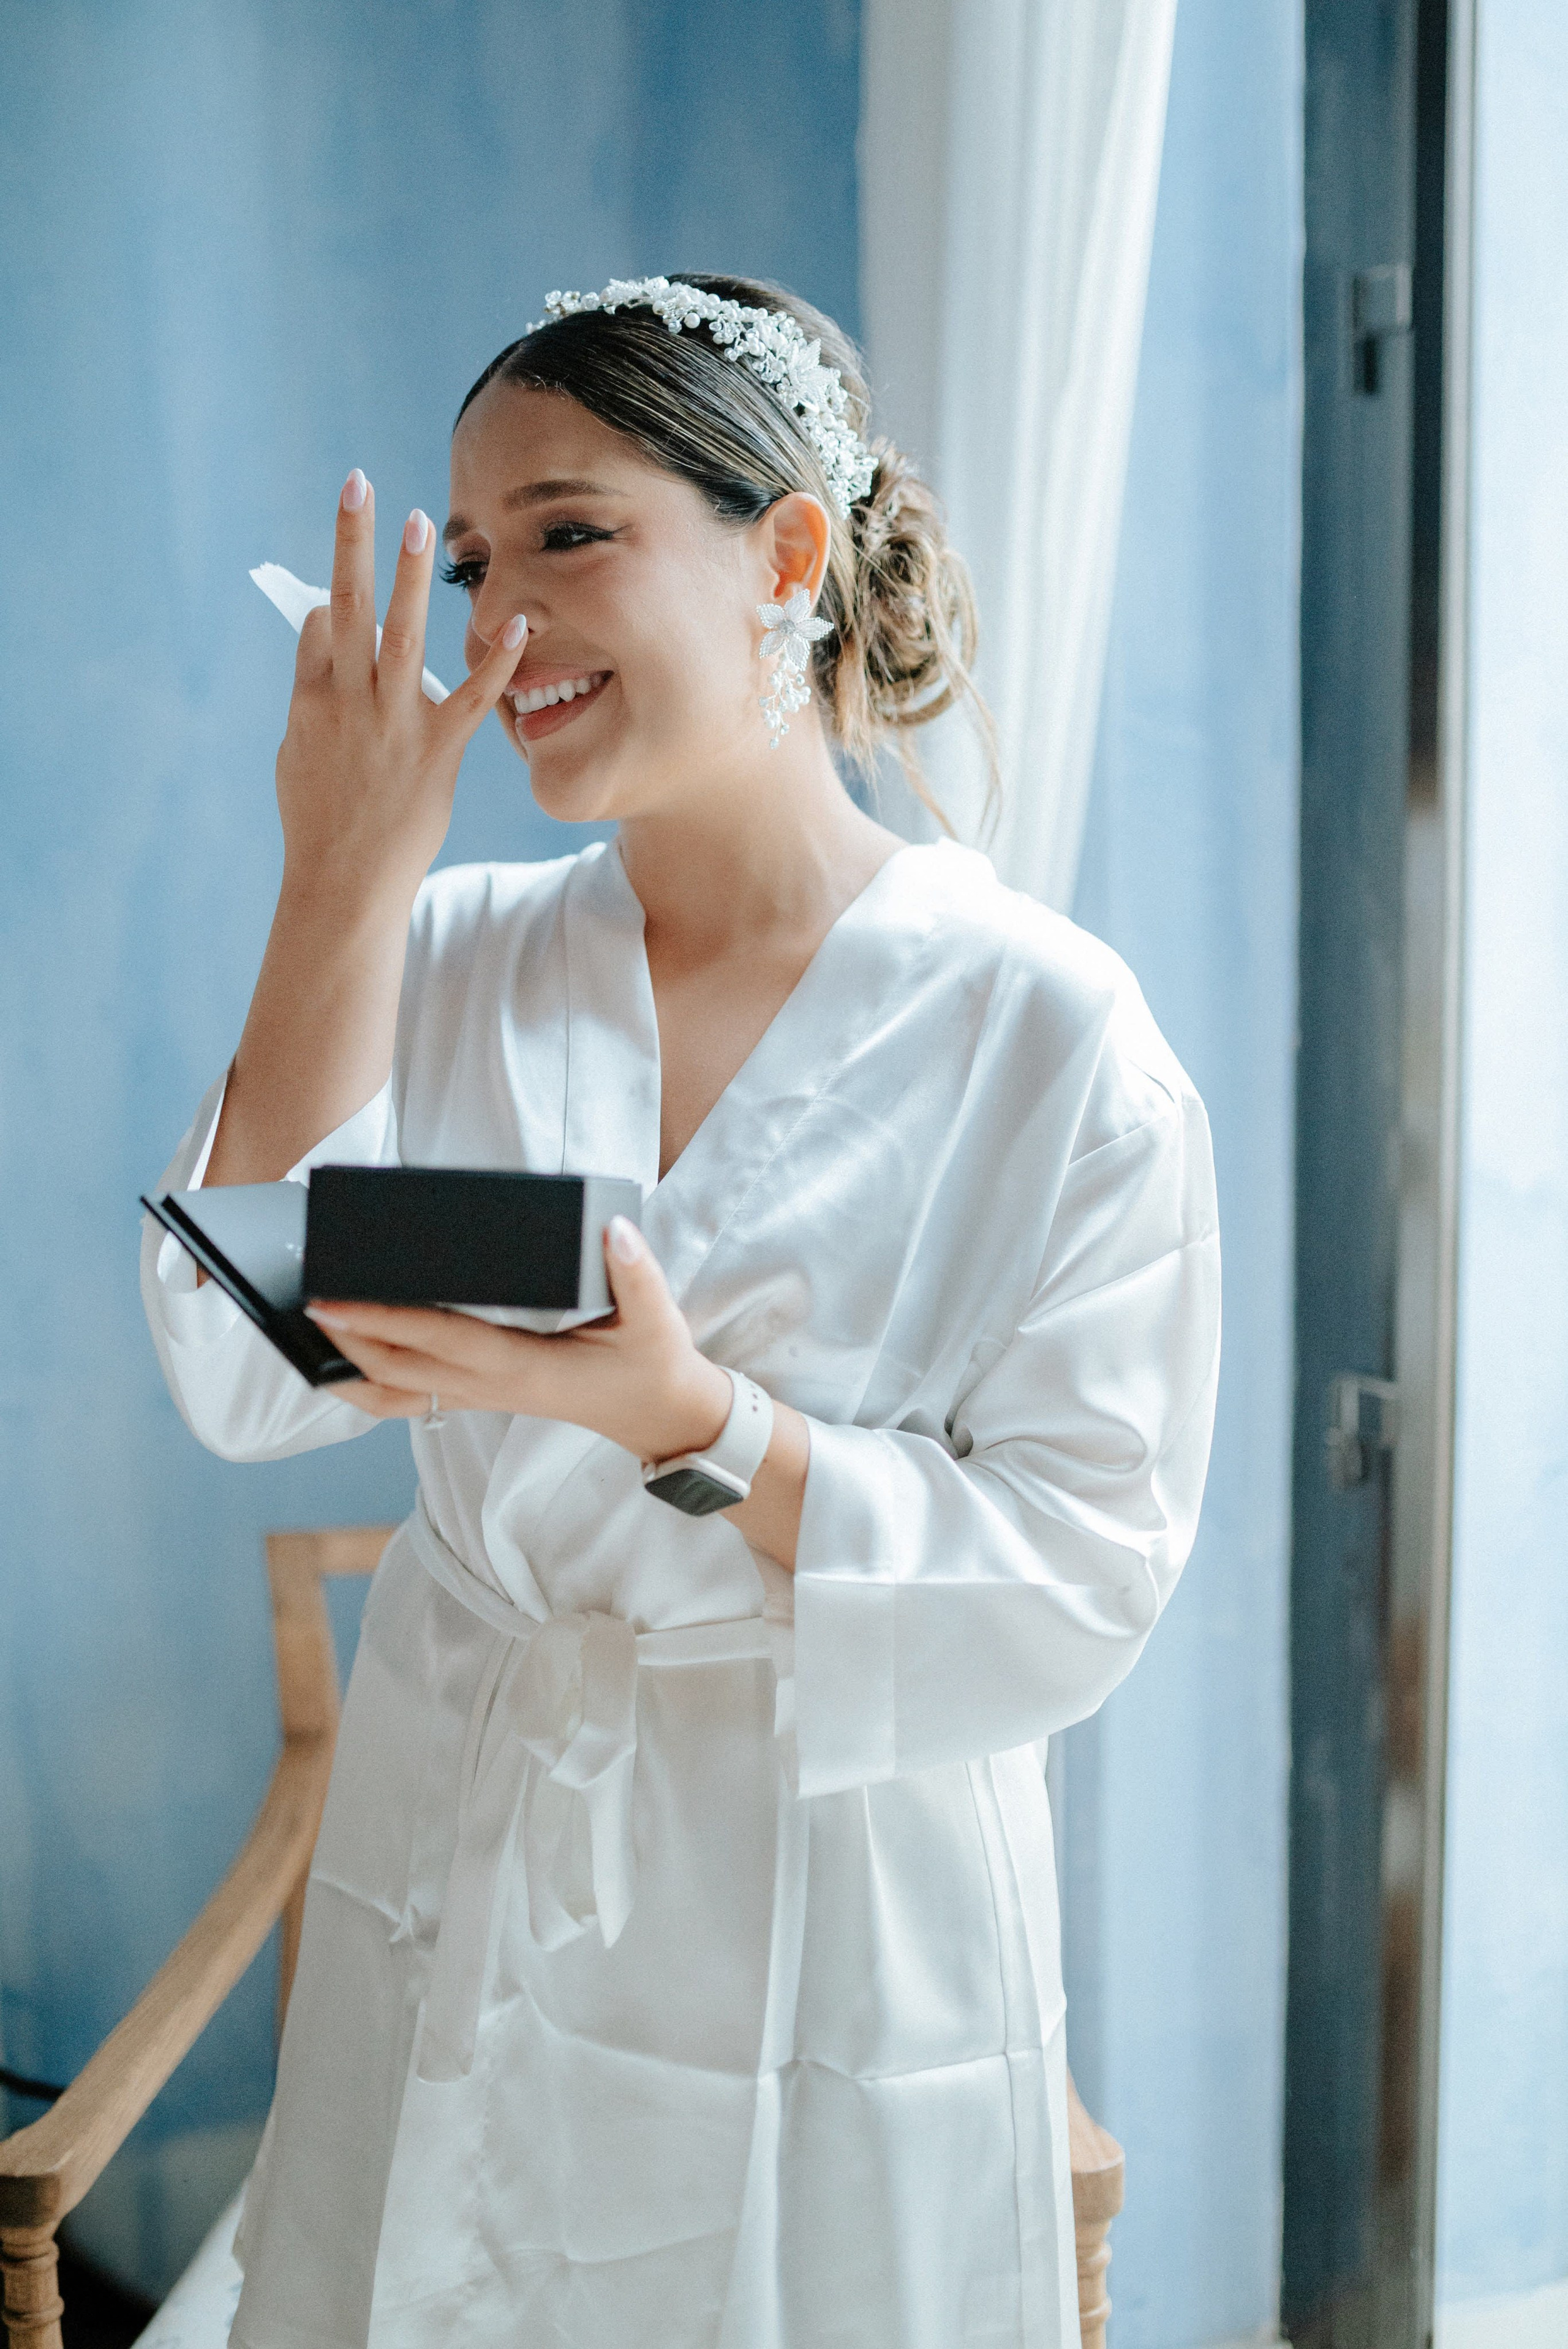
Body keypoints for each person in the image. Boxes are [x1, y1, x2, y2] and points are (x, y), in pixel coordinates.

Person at [142, 273, 1221, 2349]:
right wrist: (334, 876)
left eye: (567, 532)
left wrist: (698, 1422)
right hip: (464, 1841)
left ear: (790, 554)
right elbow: (229, 1374)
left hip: (829, 1893)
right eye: (469, 566)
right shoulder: (443, 950)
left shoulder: (1053, 1039)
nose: (495, 630)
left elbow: (1088, 1567)